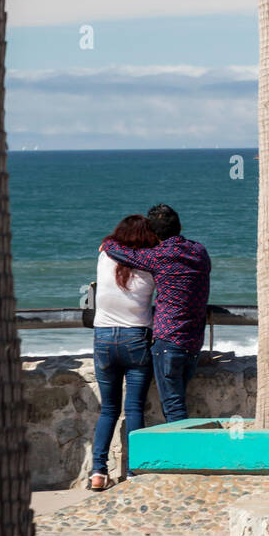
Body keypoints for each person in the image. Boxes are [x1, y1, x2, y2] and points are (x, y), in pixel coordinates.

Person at [103, 204, 211, 424]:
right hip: (194, 341)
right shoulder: (200, 251)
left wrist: (107, 242)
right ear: (179, 226)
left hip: (168, 342)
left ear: (153, 233)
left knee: (174, 408)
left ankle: (183, 457)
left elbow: (122, 253)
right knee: (178, 401)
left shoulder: (159, 256)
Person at [89, 213, 159, 491]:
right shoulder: (151, 263)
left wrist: (107, 243)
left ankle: (98, 471)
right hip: (136, 337)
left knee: (108, 409)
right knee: (133, 409)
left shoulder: (105, 255)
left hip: (103, 337)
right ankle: (133, 472)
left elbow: (109, 246)